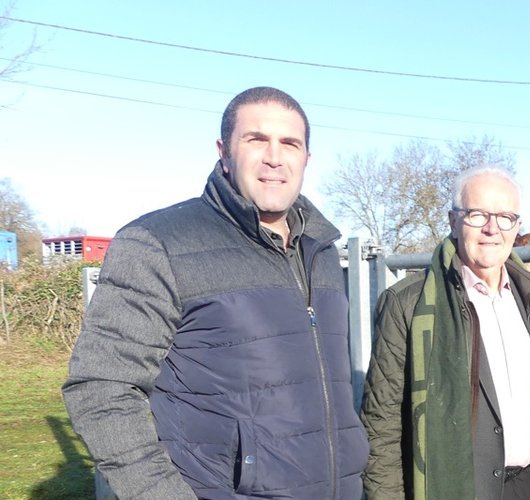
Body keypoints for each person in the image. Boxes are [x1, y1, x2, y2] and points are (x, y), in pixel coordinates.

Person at [62, 86, 368, 499]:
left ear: (306, 159)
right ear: (224, 151)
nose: (275, 157)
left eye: (290, 143)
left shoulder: (322, 251)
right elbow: (101, 387)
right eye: (256, 139)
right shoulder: (159, 243)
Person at [361, 166, 530, 500]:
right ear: (453, 220)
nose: (492, 228)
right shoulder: (407, 304)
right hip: (456, 488)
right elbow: (381, 425)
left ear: (516, 226)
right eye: (477, 214)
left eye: (505, 217)